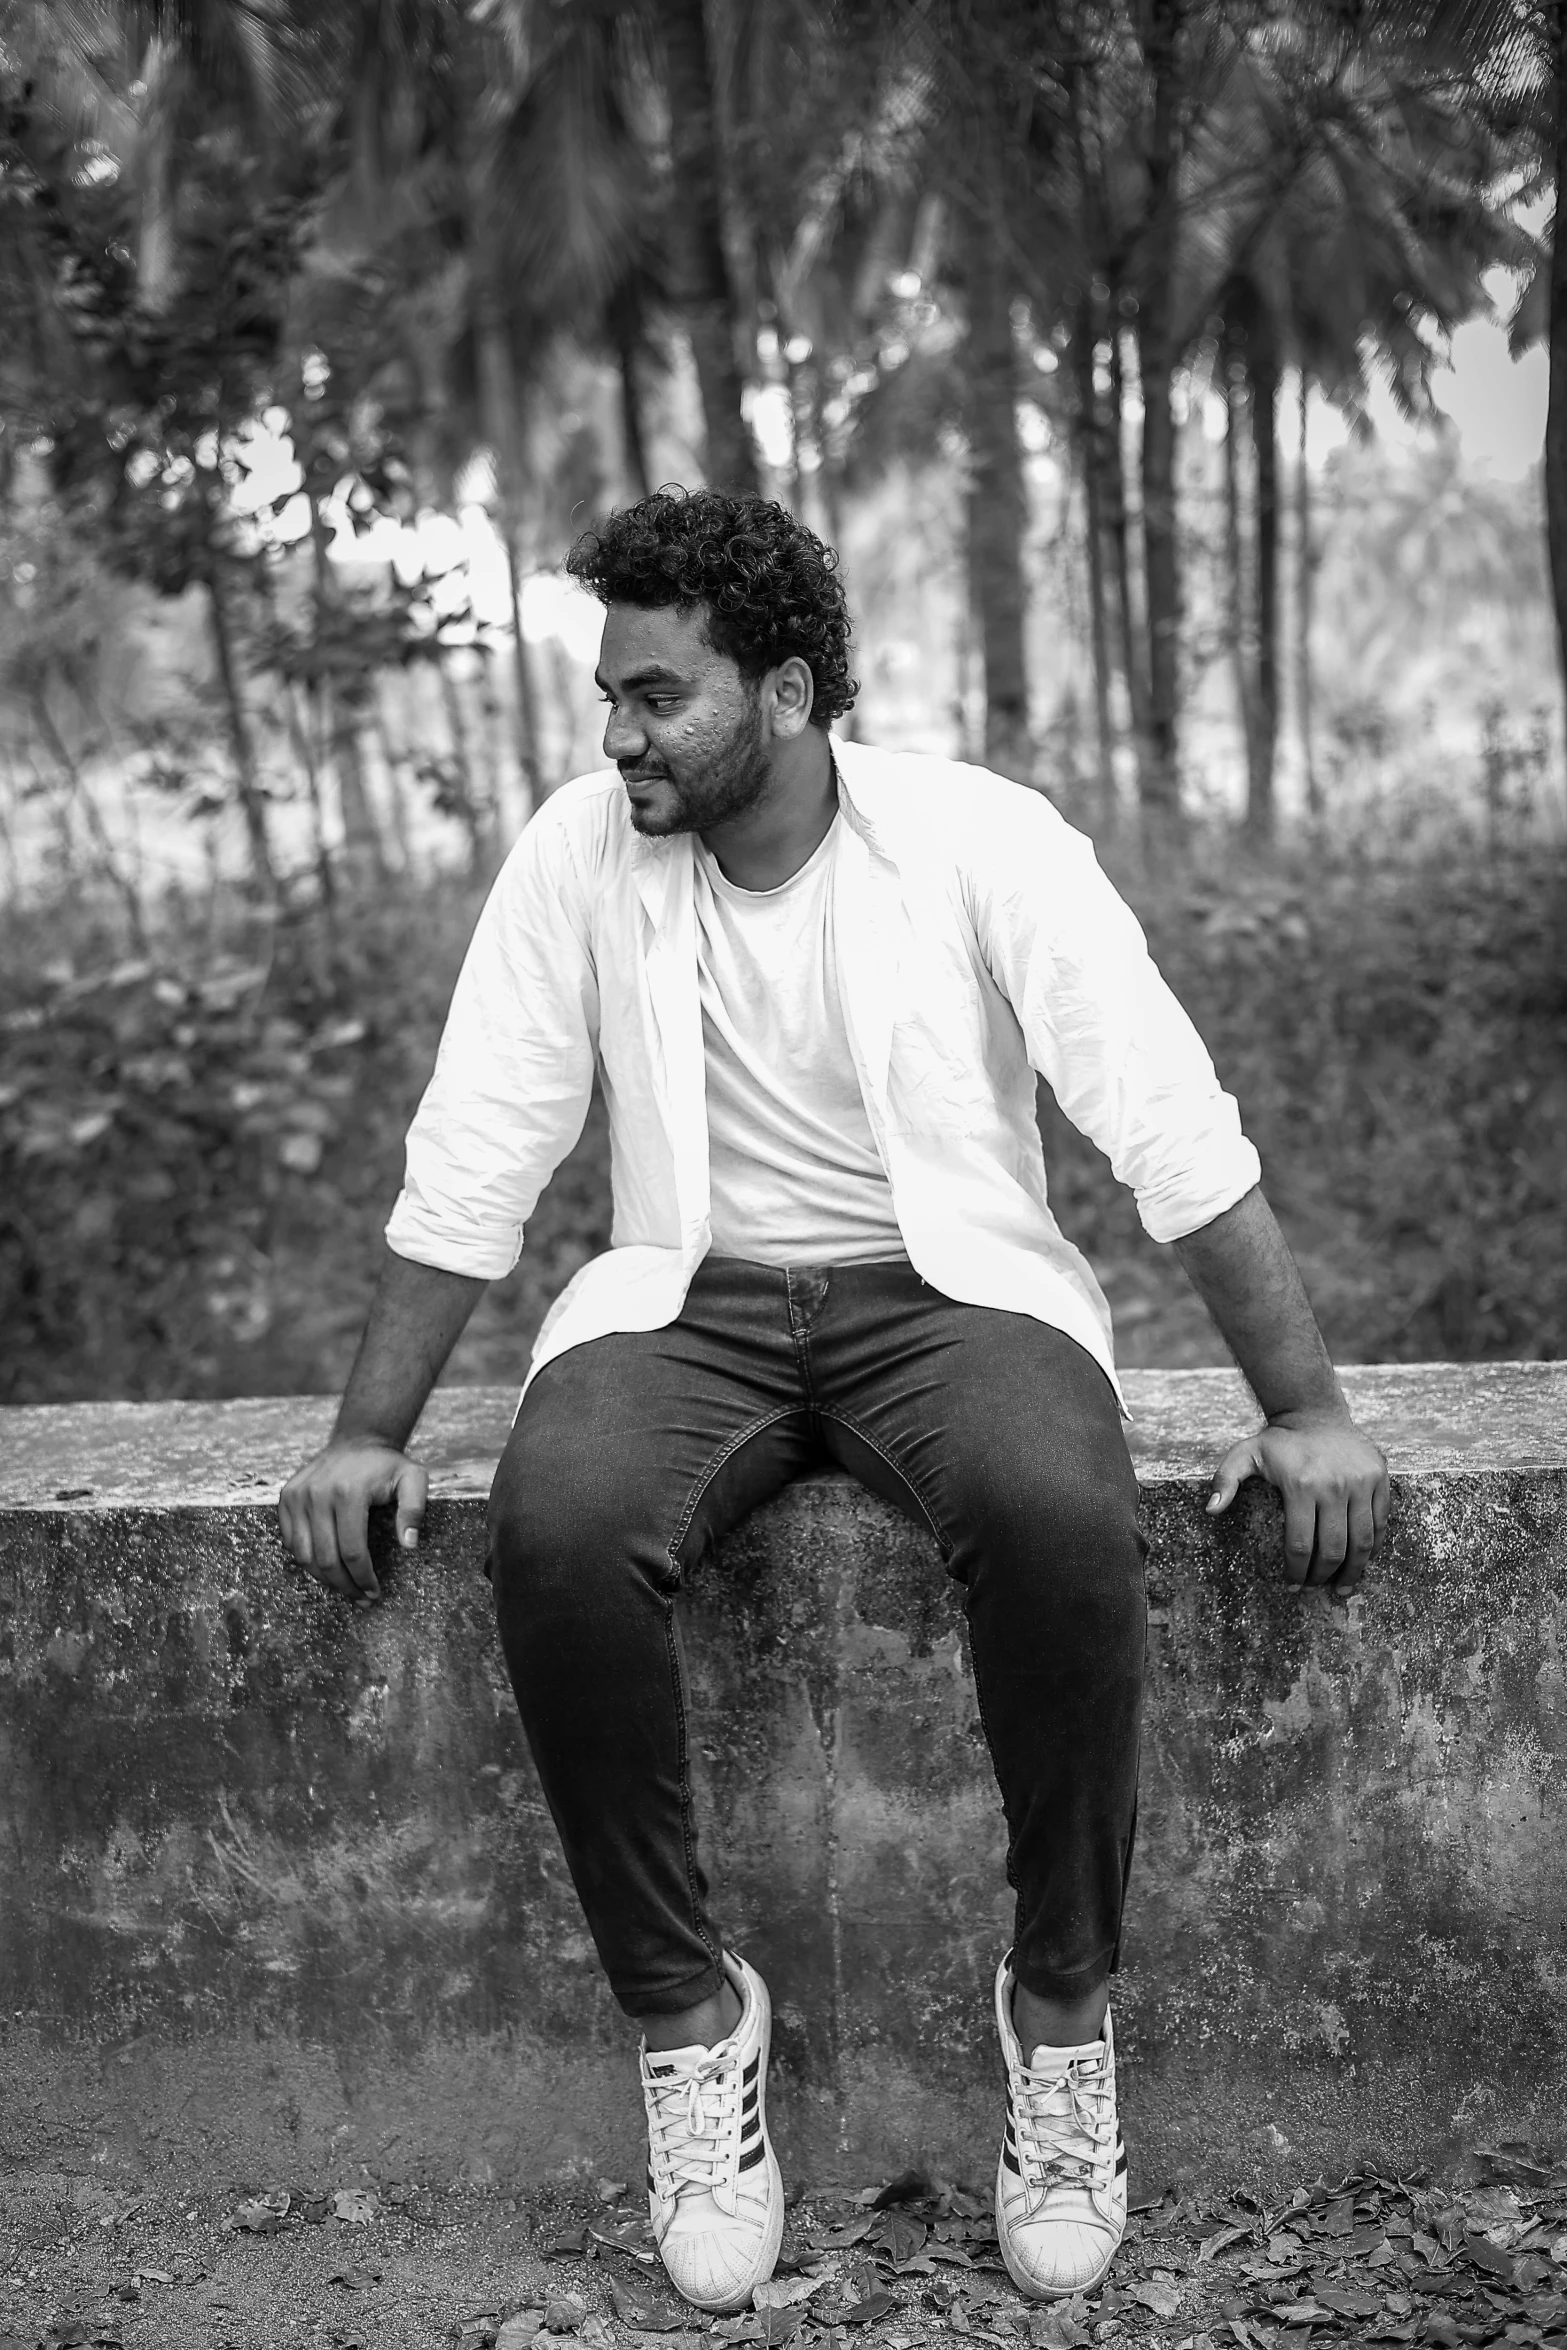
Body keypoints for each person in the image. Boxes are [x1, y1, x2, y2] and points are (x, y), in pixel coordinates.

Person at [278, 488, 1387, 2316]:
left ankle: (1058, 2016)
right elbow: (476, 1147)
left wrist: (1310, 1406)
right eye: (609, 696)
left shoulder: (979, 841)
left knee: (1053, 1513)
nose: (619, 734)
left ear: (784, 691)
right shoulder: (579, 856)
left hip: (948, 1295)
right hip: (681, 1302)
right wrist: (367, 1435)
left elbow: (1166, 1122)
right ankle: (689, 2020)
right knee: (556, 1530)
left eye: (657, 694)